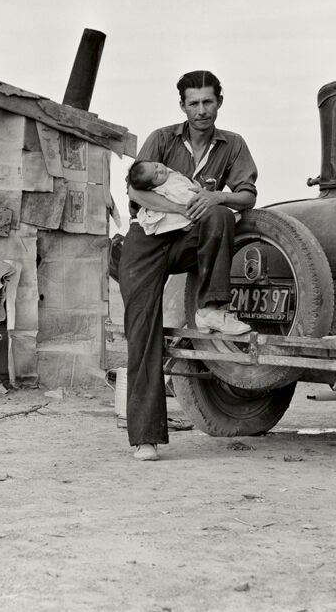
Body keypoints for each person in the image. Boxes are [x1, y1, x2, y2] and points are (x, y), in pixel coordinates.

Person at [118, 70, 258, 462]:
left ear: (219, 102)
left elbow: (246, 194)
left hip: (187, 242)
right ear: (182, 106)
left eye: (208, 102)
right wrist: (182, 207)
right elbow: (135, 189)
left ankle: (213, 309)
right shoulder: (162, 139)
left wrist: (217, 198)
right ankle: (146, 437)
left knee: (220, 215)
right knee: (143, 332)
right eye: (193, 103)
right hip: (146, 244)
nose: (201, 111)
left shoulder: (234, 145)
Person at [126, 161, 200, 236]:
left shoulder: (166, 174)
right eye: (156, 175)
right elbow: (188, 198)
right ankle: (182, 224)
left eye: (156, 166)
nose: (160, 170)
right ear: (151, 187)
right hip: (188, 210)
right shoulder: (170, 188)